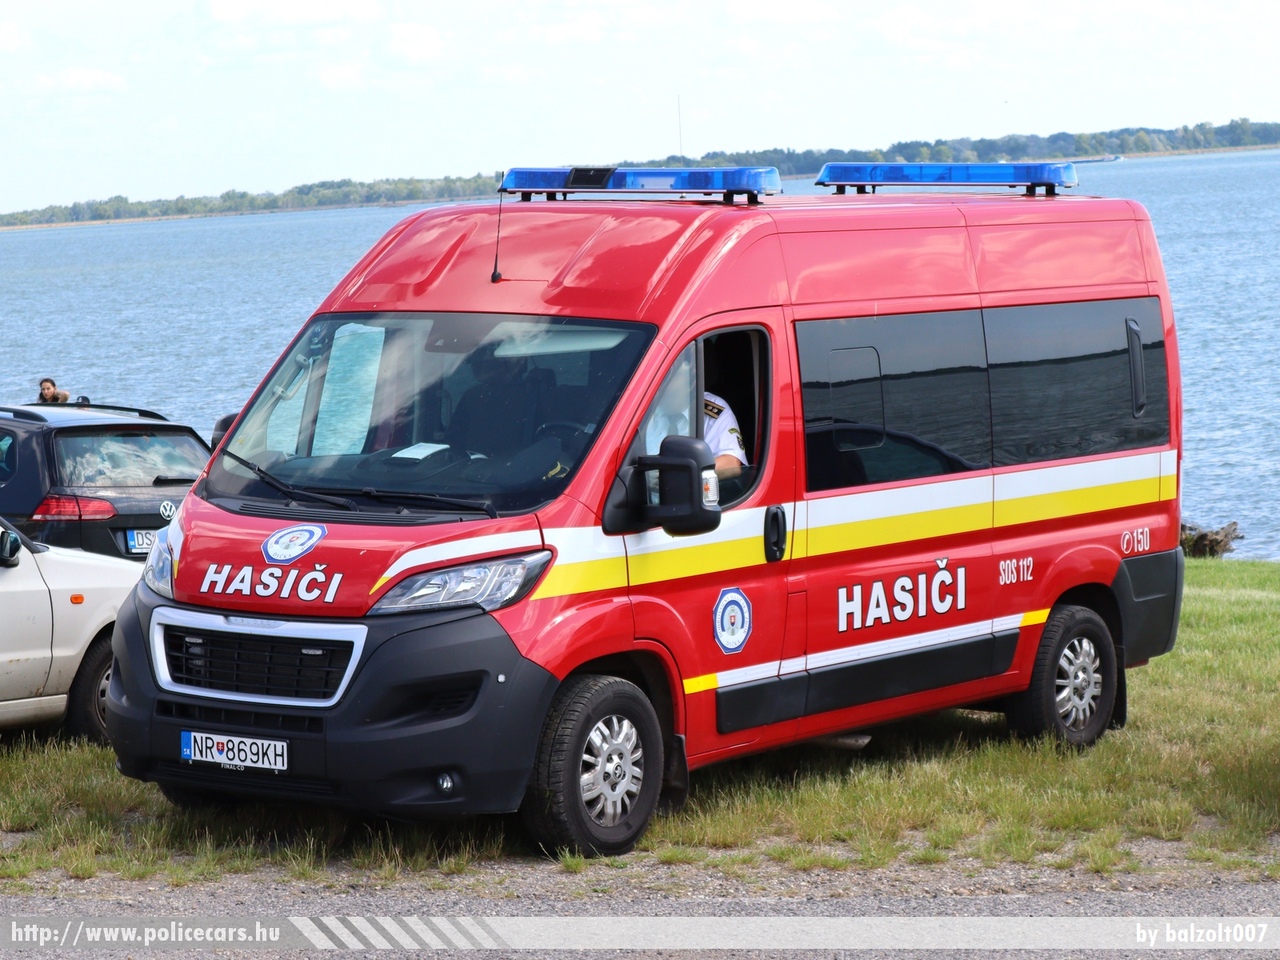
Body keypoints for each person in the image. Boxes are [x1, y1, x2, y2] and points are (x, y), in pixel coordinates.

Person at [643, 354, 747, 480]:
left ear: (690, 385)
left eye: (673, 393)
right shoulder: (644, 409)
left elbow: (731, 463)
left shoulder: (713, 410)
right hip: (642, 495)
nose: (666, 397)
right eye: (663, 392)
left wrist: (679, 476)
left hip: (694, 494)